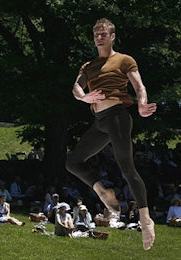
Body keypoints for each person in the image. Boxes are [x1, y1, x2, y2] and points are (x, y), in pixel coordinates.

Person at [65, 18, 156, 250]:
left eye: (104, 33)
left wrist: (141, 104)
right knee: (73, 162)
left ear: (112, 36)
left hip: (117, 117)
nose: (99, 36)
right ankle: (103, 191)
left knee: (127, 168)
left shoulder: (124, 60)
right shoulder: (88, 66)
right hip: (100, 122)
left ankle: (145, 220)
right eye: (96, 33)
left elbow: (139, 86)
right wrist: (82, 96)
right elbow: (76, 87)